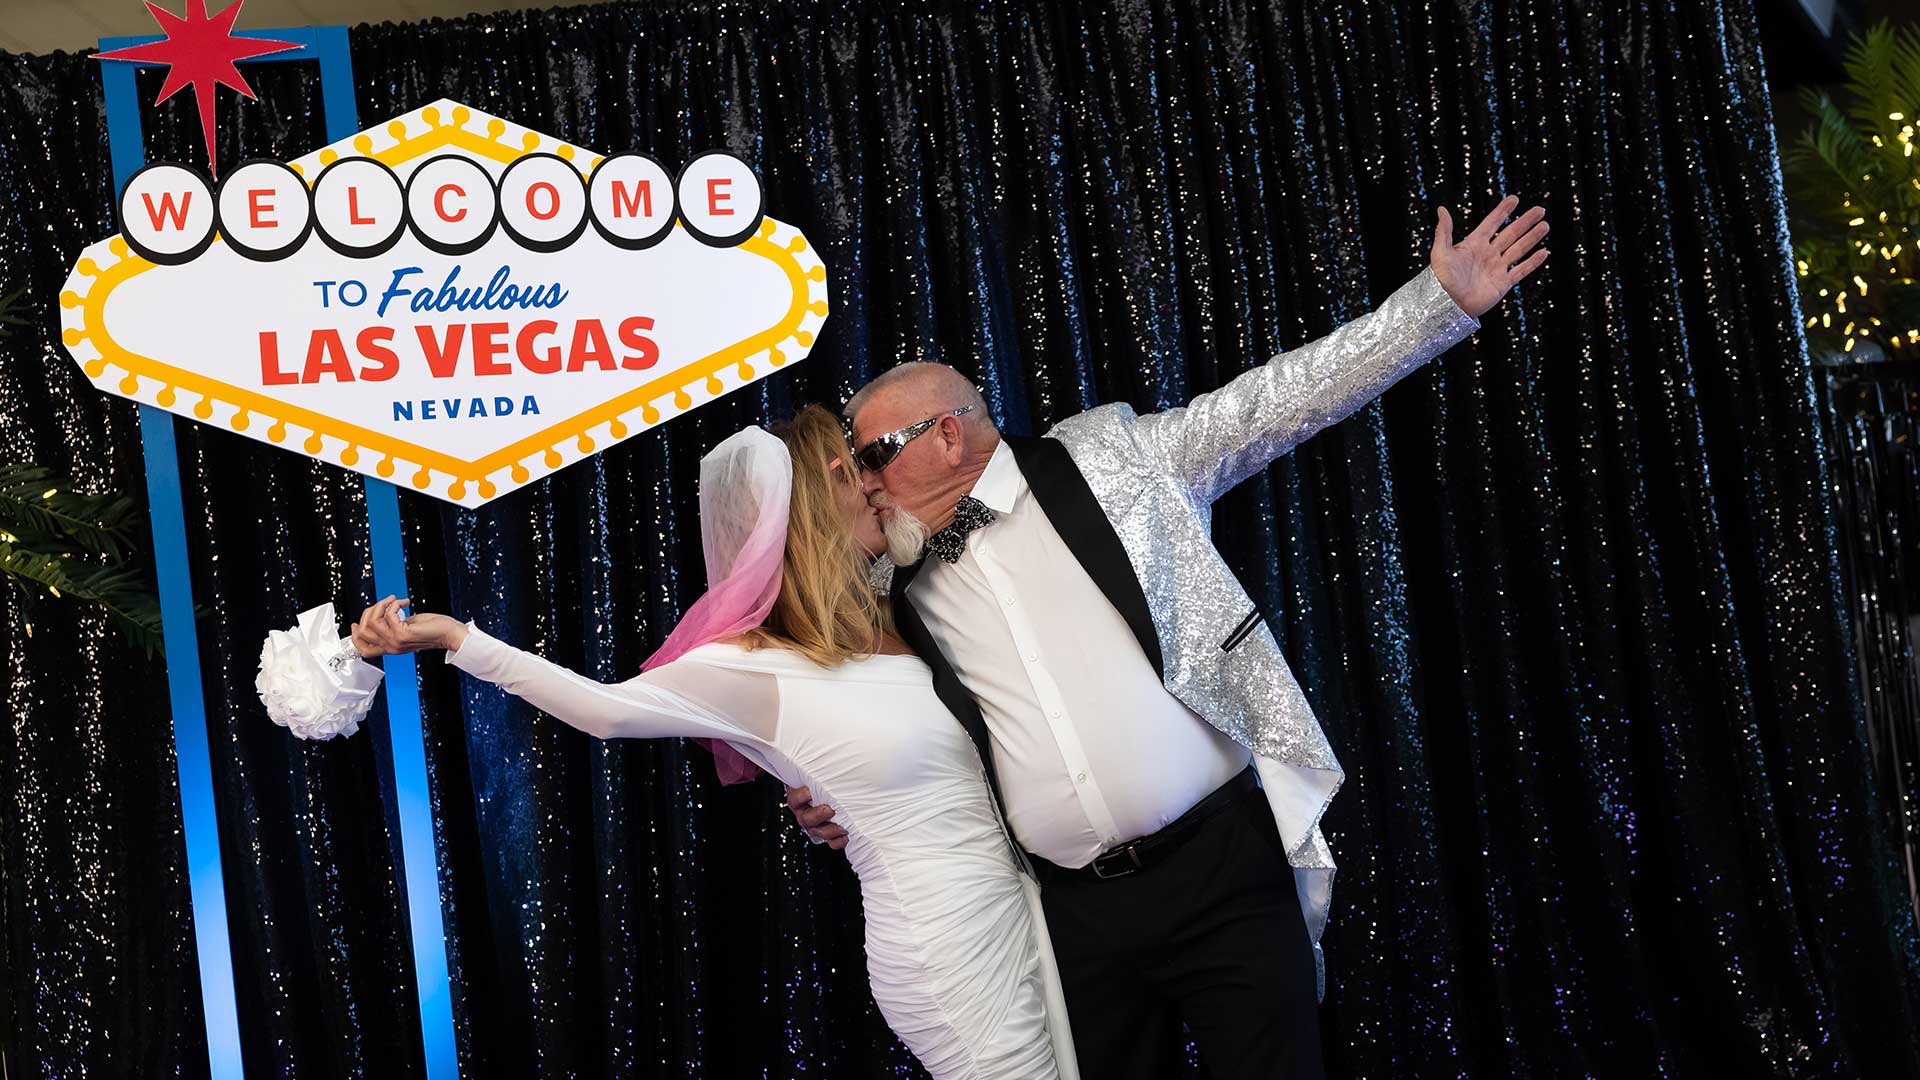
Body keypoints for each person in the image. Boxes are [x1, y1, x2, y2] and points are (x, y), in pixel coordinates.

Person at [789, 197, 1549, 1078]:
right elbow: (872, 720)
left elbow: (1281, 401)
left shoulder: (1119, 463)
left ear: (947, 434)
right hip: (1072, 914)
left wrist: (1436, 306)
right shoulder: (894, 585)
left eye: (871, 454)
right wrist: (830, 798)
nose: (865, 482)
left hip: (1221, 871)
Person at [345, 407, 1079, 1080]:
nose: (875, 485)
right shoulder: (749, 666)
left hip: (1021, 911)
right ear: (818, 498)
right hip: (944, 946)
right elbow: (604, 711)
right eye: (853, 470)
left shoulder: (899, 611)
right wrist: (457, 639)